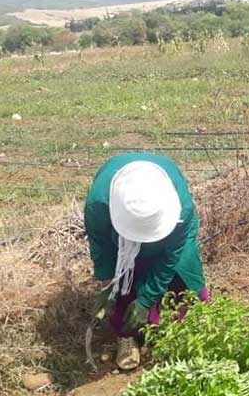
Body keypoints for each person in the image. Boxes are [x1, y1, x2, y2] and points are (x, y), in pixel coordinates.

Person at [84, 153, 208, 370]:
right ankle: (127, 335)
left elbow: (170, 258)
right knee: (126, 278)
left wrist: (146, 299)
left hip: (174, 234)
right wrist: (107, 285)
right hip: (120, 237)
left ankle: (178, 329)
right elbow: (101, 247)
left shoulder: (181, 209)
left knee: (183, 270)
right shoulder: (99, 204)